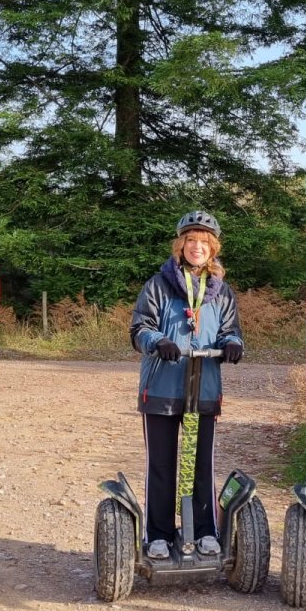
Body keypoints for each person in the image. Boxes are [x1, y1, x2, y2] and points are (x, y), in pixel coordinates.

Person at [129, 210, 244, 560]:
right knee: (162, 465)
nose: (197, 247)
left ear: (213, 249)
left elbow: (229, 330)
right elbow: (140, 328)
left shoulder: (221, 292)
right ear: (180, 245)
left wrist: (233, 343)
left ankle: (205, 530)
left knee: (201, 463)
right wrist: (157, 341)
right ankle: (159, 534)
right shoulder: (159, 284)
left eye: (204, 242)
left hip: (204, 386)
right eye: (191, 240)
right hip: (162, 386)